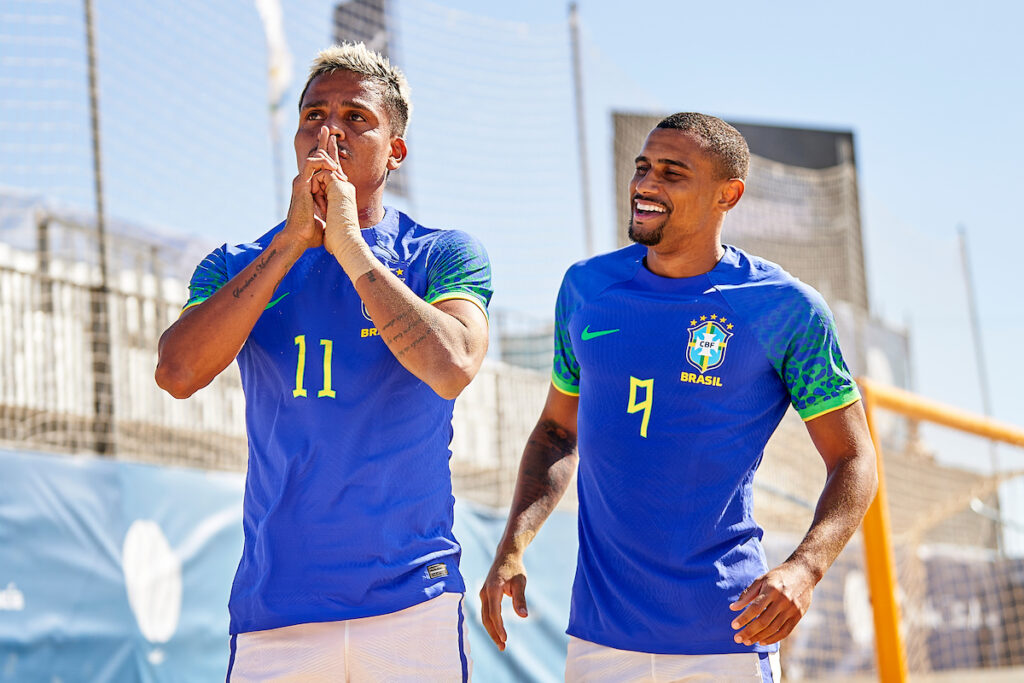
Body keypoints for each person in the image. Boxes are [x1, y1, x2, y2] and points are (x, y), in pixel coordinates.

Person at [480, 113, 878, 682]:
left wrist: (806, 569)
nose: (647, 184)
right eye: (643, 167)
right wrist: (513, 547)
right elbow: (557, 433)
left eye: (673, 172)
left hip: (727, 632)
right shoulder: (587, 290)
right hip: (599, 637)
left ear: (728, 194)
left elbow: (854, 457)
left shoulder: (783, 308)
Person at [156, 43, 490, 681]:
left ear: (396, 149)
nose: (329, 130)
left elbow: (453, 365)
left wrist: (349, 246)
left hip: (411, 605)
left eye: (355, 118)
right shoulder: (237, 263)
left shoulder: (443, 254)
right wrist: (290, 245)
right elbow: (176, 374)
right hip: (276, 609)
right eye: (314, 115)